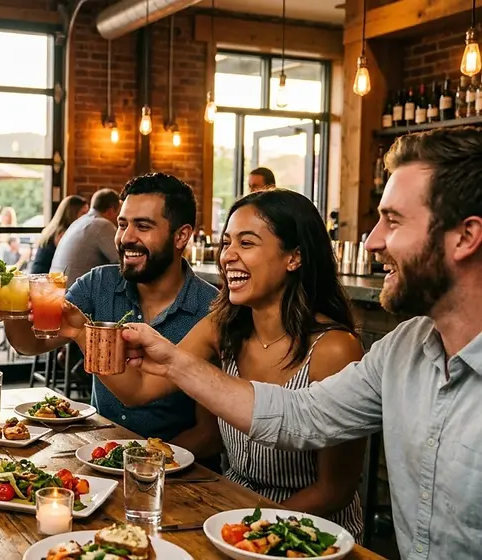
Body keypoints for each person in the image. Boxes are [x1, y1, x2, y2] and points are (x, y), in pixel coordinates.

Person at [121, 126, 482, 558]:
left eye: (394, 220)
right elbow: (299, 415)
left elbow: (332, 485)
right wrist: (175, 362)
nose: (372, 241)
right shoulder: (404, 348)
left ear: (465, 236)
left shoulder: (338, 345)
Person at [96, 189, 366, 537]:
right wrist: (78, 333)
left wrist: (248, 530)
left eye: (247, 243)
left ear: (294, 257)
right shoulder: (222, 327)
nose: (228, 256)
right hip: (231, 508)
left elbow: (334, 490)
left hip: (310, 534)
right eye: (227, 243)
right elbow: (139, 391)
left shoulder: (334, 349)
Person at [0, 173, 218, 440]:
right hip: (97, 454)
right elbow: (30, 345)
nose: (125, 237)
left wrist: (146, 465)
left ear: (181, 236)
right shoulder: (99, 283)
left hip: (177, 467)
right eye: (121, 224)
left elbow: (208, 435)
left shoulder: (209, 310)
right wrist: (13, 310)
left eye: (143, 226)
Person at [50, 188, 121, 287]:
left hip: (57, 290)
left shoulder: (79, 221)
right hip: (75, 295)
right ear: (111, 209)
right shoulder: (102, 225)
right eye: (119, 211)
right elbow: (121, 261)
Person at [31, 194, 88, 274]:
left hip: (38, 277)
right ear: (72, 213)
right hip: (43, 279)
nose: (87, 217)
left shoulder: (53, 230)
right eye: (83, 213)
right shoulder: (62, 234)